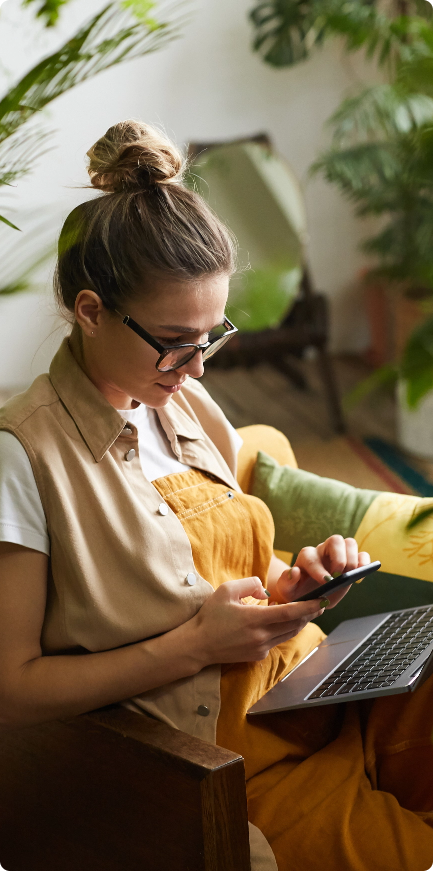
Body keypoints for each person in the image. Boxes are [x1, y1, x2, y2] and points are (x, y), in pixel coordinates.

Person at [0, 120, 432, 871]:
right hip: (227, 764)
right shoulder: (22, 456)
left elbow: (216, 584)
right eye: (175, 340)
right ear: (91, 310)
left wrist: (294, 587)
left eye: (211, 336)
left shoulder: (185, 404)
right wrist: (196, 644)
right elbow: (13, 691)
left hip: (307, 690)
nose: (196, 370)